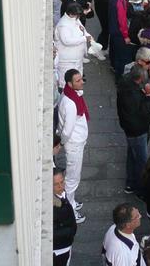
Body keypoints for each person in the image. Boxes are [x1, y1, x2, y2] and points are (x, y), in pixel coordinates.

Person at [116, 66, 150, 196]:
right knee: (141, 161)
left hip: (129, 129)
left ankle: (130, 183)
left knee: (132, 155)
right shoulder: (133, 95)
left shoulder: (125, 84)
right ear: (139, 79)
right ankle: (140, 189)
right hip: (137, 131)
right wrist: (149, 96)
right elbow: (144, 112)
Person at [57, 69, 89, 222]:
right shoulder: (70, 103)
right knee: (72, 179)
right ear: (70, 83)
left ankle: (72, 202)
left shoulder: (70, 94)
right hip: (74, 143)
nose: (82, 81)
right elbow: (68, 129)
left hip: (77, 141)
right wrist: (61, 143)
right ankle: (70, 211)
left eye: (81, 79)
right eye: (78, 80)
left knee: (73, 177)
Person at [54, 2, 91, 88]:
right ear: (71, 14)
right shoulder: (63, 25)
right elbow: (67, 41)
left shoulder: (75, 19)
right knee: (66, 84)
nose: (78, 17)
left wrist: (86, 34)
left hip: (76, 59)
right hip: (67, 61)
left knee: (77, 81)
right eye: (77, 15)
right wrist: (84, 38)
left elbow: (82, 28)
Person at [109, 0, 136, 73]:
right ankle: (119, 75)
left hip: (113, 29)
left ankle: (113, 66)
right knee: (121, 55)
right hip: (119, 32)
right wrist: (125, 36)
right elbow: (122, 20)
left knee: (114, 50)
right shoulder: (120, 1)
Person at [52, 168, 78, 265]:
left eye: (62, 182)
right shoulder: (53, 208)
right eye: (56, 184)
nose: (60, 186)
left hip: (65, 246)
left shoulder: (61, 194)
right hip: (59, 251)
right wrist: (70, 231)